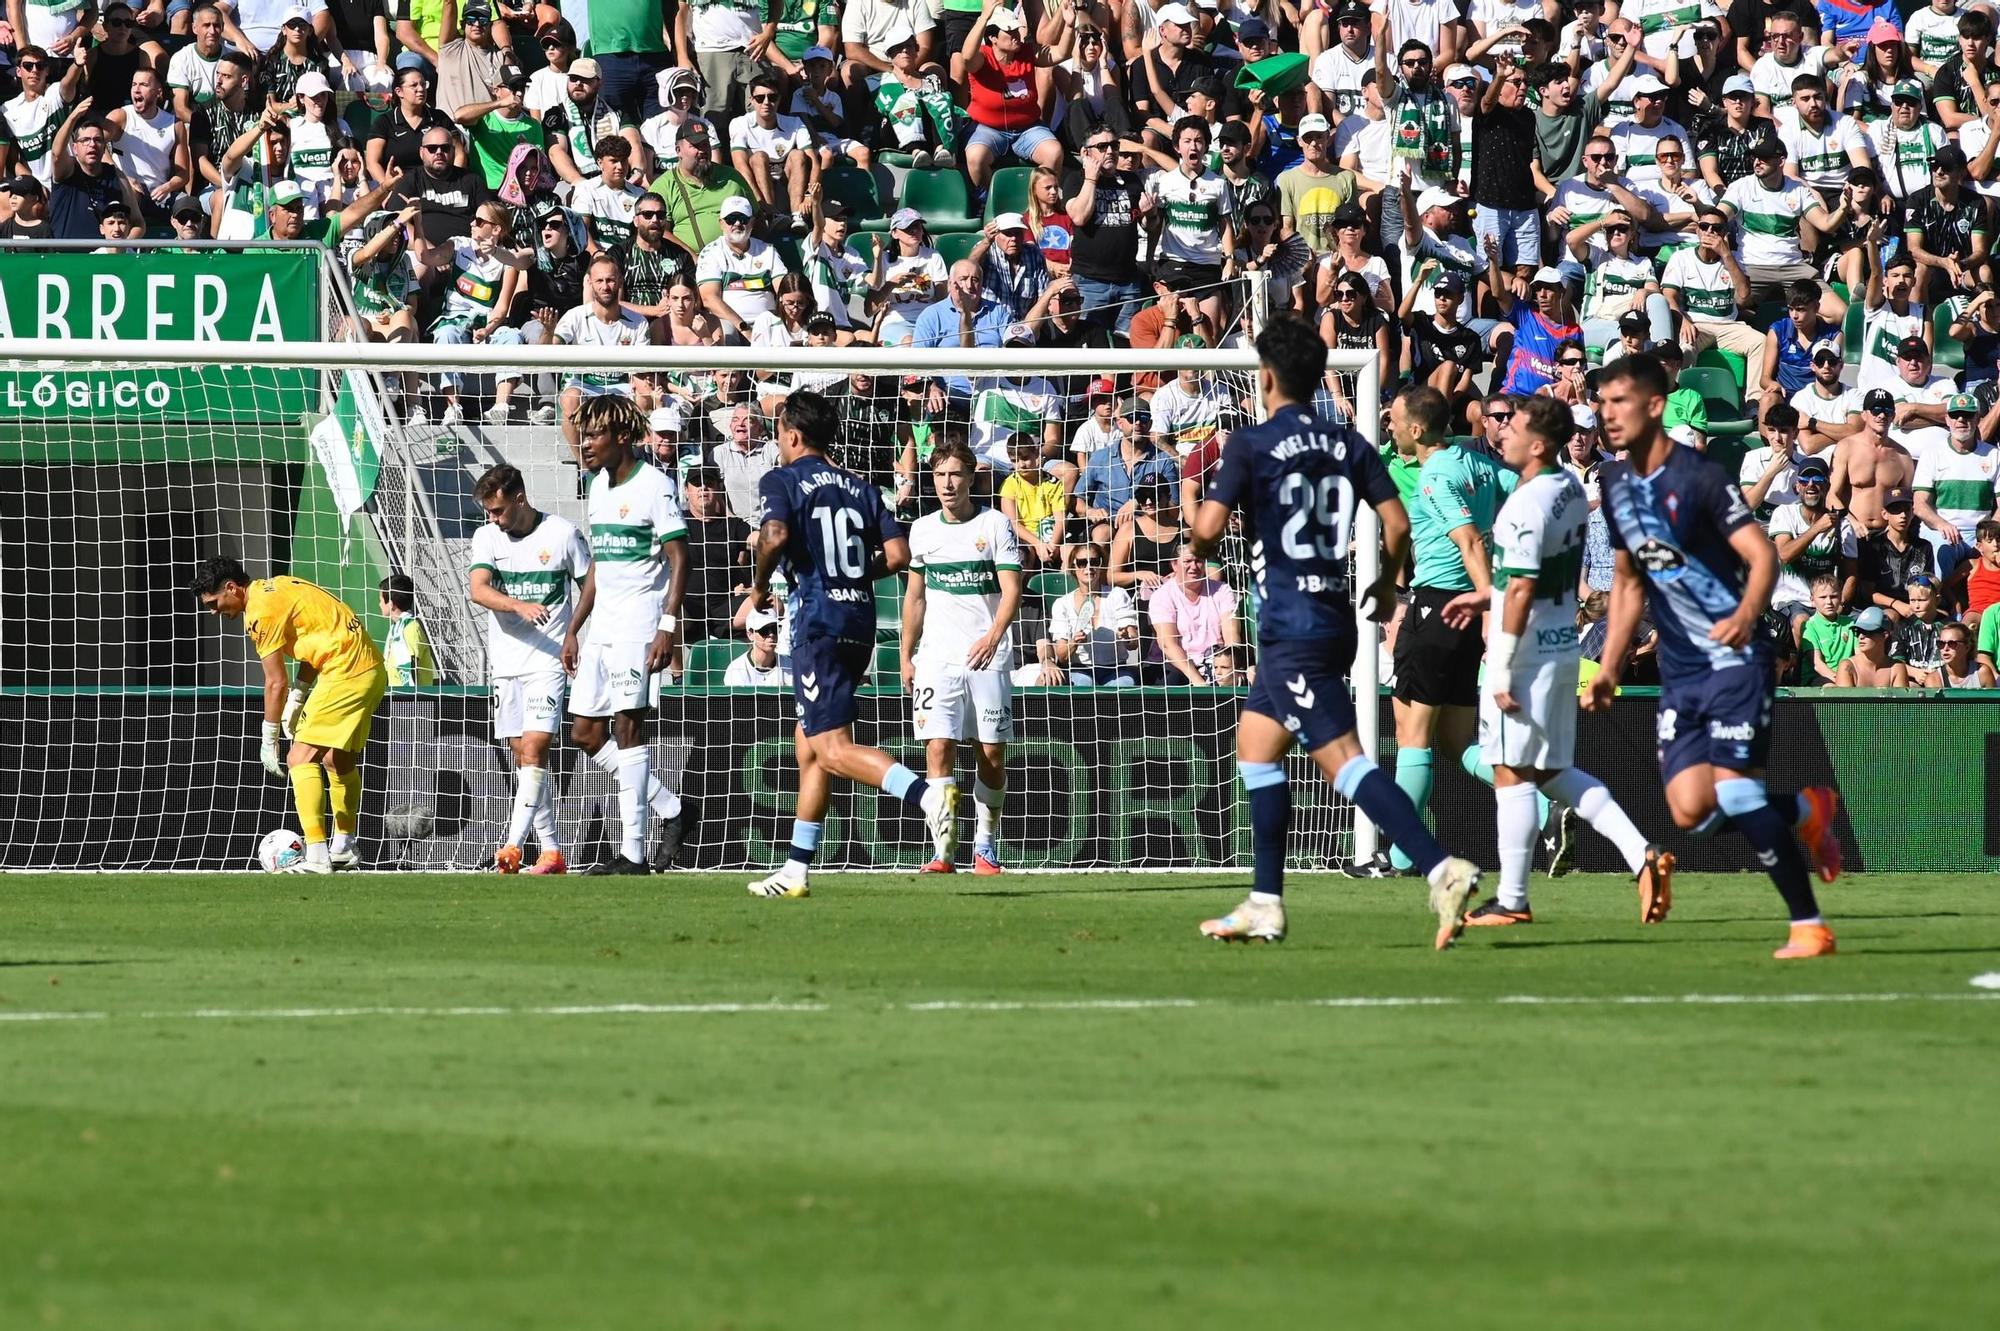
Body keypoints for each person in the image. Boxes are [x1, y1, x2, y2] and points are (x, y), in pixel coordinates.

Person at [1191, 319, 1481, 946]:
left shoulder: (1249, 444)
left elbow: (1208, 533)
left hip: (1291, 624)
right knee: (1257, 751)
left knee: (1343, 763)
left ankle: (1440, 867)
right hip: (1329, 618)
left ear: (1266, 377)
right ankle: (1266, 900)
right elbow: (1397, 525)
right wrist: (1386, 586)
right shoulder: (1349, 442)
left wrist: (1199, 519)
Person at [1584, 353, 1844, 960]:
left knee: (1733, 792)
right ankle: (1806, 808)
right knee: (1690, 810)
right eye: (1601, 403)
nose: (1607, 414)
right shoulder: (1616, 482)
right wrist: (1609, 668)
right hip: (1680, 670)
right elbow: (1626, 583)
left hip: (1736, 657)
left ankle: (1809, 926)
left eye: (1619, 402)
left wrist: (1747, 615)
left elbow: (1762, 556)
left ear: (1654, 407)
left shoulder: (1698, 478)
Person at [1459, 395, 1674, 927]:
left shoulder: (1527, 503)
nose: (1502, 431)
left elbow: (1522, 587)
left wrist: (1502, 665)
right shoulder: (1571, 490)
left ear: (1539, 443)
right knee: (1553, 771)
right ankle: (1642, 855)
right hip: (1561, 647)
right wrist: (1486, 596)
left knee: (1510, 772)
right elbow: (1525, 583)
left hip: (1526, 654)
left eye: (1513, 425)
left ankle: (1512, 899)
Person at [745, 390, 958, 898]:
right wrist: (856, 576)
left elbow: (773, 535)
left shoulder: (783, 478)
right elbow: (900, 553)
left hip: (817, 622)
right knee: (809, 748)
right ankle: (796, 869)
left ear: (792, 435)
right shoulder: (860, 487)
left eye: (778, 434)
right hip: (858, 621)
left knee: (832, 749)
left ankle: (927, 796)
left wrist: (757, 587)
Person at [561, 397, 693, 874]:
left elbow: (681, 559)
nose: (585, 444)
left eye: (594, 435)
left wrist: (667, 627)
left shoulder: (655, 487)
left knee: (627, 730)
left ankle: (633, 853)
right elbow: (600, 561)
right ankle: (671, 808)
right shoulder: (597, 486)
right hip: (602, 626)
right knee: (584, 733)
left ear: (620, 437)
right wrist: (575, 627)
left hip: (639, 624)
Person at [190, 556, 388, 874]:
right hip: (370, 669)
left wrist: (269, 737)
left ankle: (318, 857)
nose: (214, 611)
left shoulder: (258, 612)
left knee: (299, 758)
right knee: (336, 759)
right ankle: (343, 848)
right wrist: (300, 691)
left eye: (214, 603)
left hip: (345, 671)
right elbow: (320, 635)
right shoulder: (279, 585)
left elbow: (274, 681)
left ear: (231, 588)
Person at [900, 439, 1024, 874]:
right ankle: (945, 850)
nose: (947, 484)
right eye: (939, 475)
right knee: (938, 747)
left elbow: (1013, 589)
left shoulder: (995, 525)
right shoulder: (922, 530)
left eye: (955, 474)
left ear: (971, 477)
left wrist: (993, 635)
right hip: (938, 657)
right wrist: (905, 654)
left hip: (988, 656)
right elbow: (915, 597)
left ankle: (985, 846)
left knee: (990, 755)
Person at [468, 464, 593, 875]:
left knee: (537, 749)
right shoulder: (486, 536)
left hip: (548, 659)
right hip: (505, 663)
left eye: (499, 511)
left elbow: (591, 584)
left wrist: (575, 633)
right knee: (523, 758)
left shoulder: (561, 534)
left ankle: (512, 846)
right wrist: (519, 605)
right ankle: (553, 852)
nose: (494, 519)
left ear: (519, 499)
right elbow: (479, 589)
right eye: (488, 512)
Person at [1043, 543, 1140, 686]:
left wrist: (1127, 636)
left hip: (1116, 669)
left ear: (1101, 565)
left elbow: (1133, 644)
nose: (1089, 567)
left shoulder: (1117, 595)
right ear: (1073, 567)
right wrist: (1074, 642)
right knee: (1084, 684)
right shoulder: (1062, 604)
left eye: (1094, 562)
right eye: (1082, 563)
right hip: (1079, 669)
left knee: (1125, 684)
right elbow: (1062, 656)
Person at [378, 573, 436, 686]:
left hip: (412, 700)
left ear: (390, 604)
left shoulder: (411, 628)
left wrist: (408, 700)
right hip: (398, 698)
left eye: (380, 600)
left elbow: (409, 671)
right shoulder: (396, 628)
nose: (379, 604)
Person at [1832, 606, 1909, 685]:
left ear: (1884, 635)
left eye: (1867, 632)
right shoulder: (1848, 667)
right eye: (1858, 631)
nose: (1861, 637)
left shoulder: (1896, 668)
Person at [725, 609, 793, 686]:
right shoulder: (736, 670)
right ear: (750, 634)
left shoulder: (790, 666)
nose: (771, 635)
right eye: (764, 630)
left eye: (775, 629)